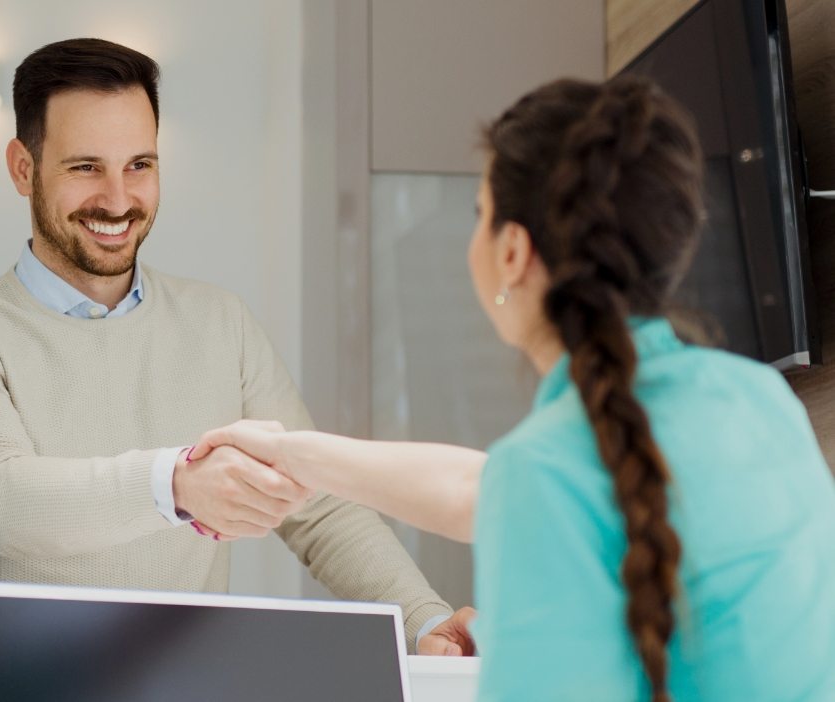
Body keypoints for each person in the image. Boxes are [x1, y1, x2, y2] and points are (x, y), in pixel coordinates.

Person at [190, 76, 835, 700]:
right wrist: (292, 453)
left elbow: (517, 487)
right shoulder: (760, 398)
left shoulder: (548, 470)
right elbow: (480, 488)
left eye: (481, 214)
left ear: (512, 253)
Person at [0, 38, 473, 653]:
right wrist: (174, 484)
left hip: (185, 678)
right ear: (22, 167)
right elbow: (5, 503)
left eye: (139, 165)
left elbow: (318, 505)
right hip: (13, 678)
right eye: (85, 167)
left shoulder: (221, 322)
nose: (118, 200)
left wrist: (423, 618)